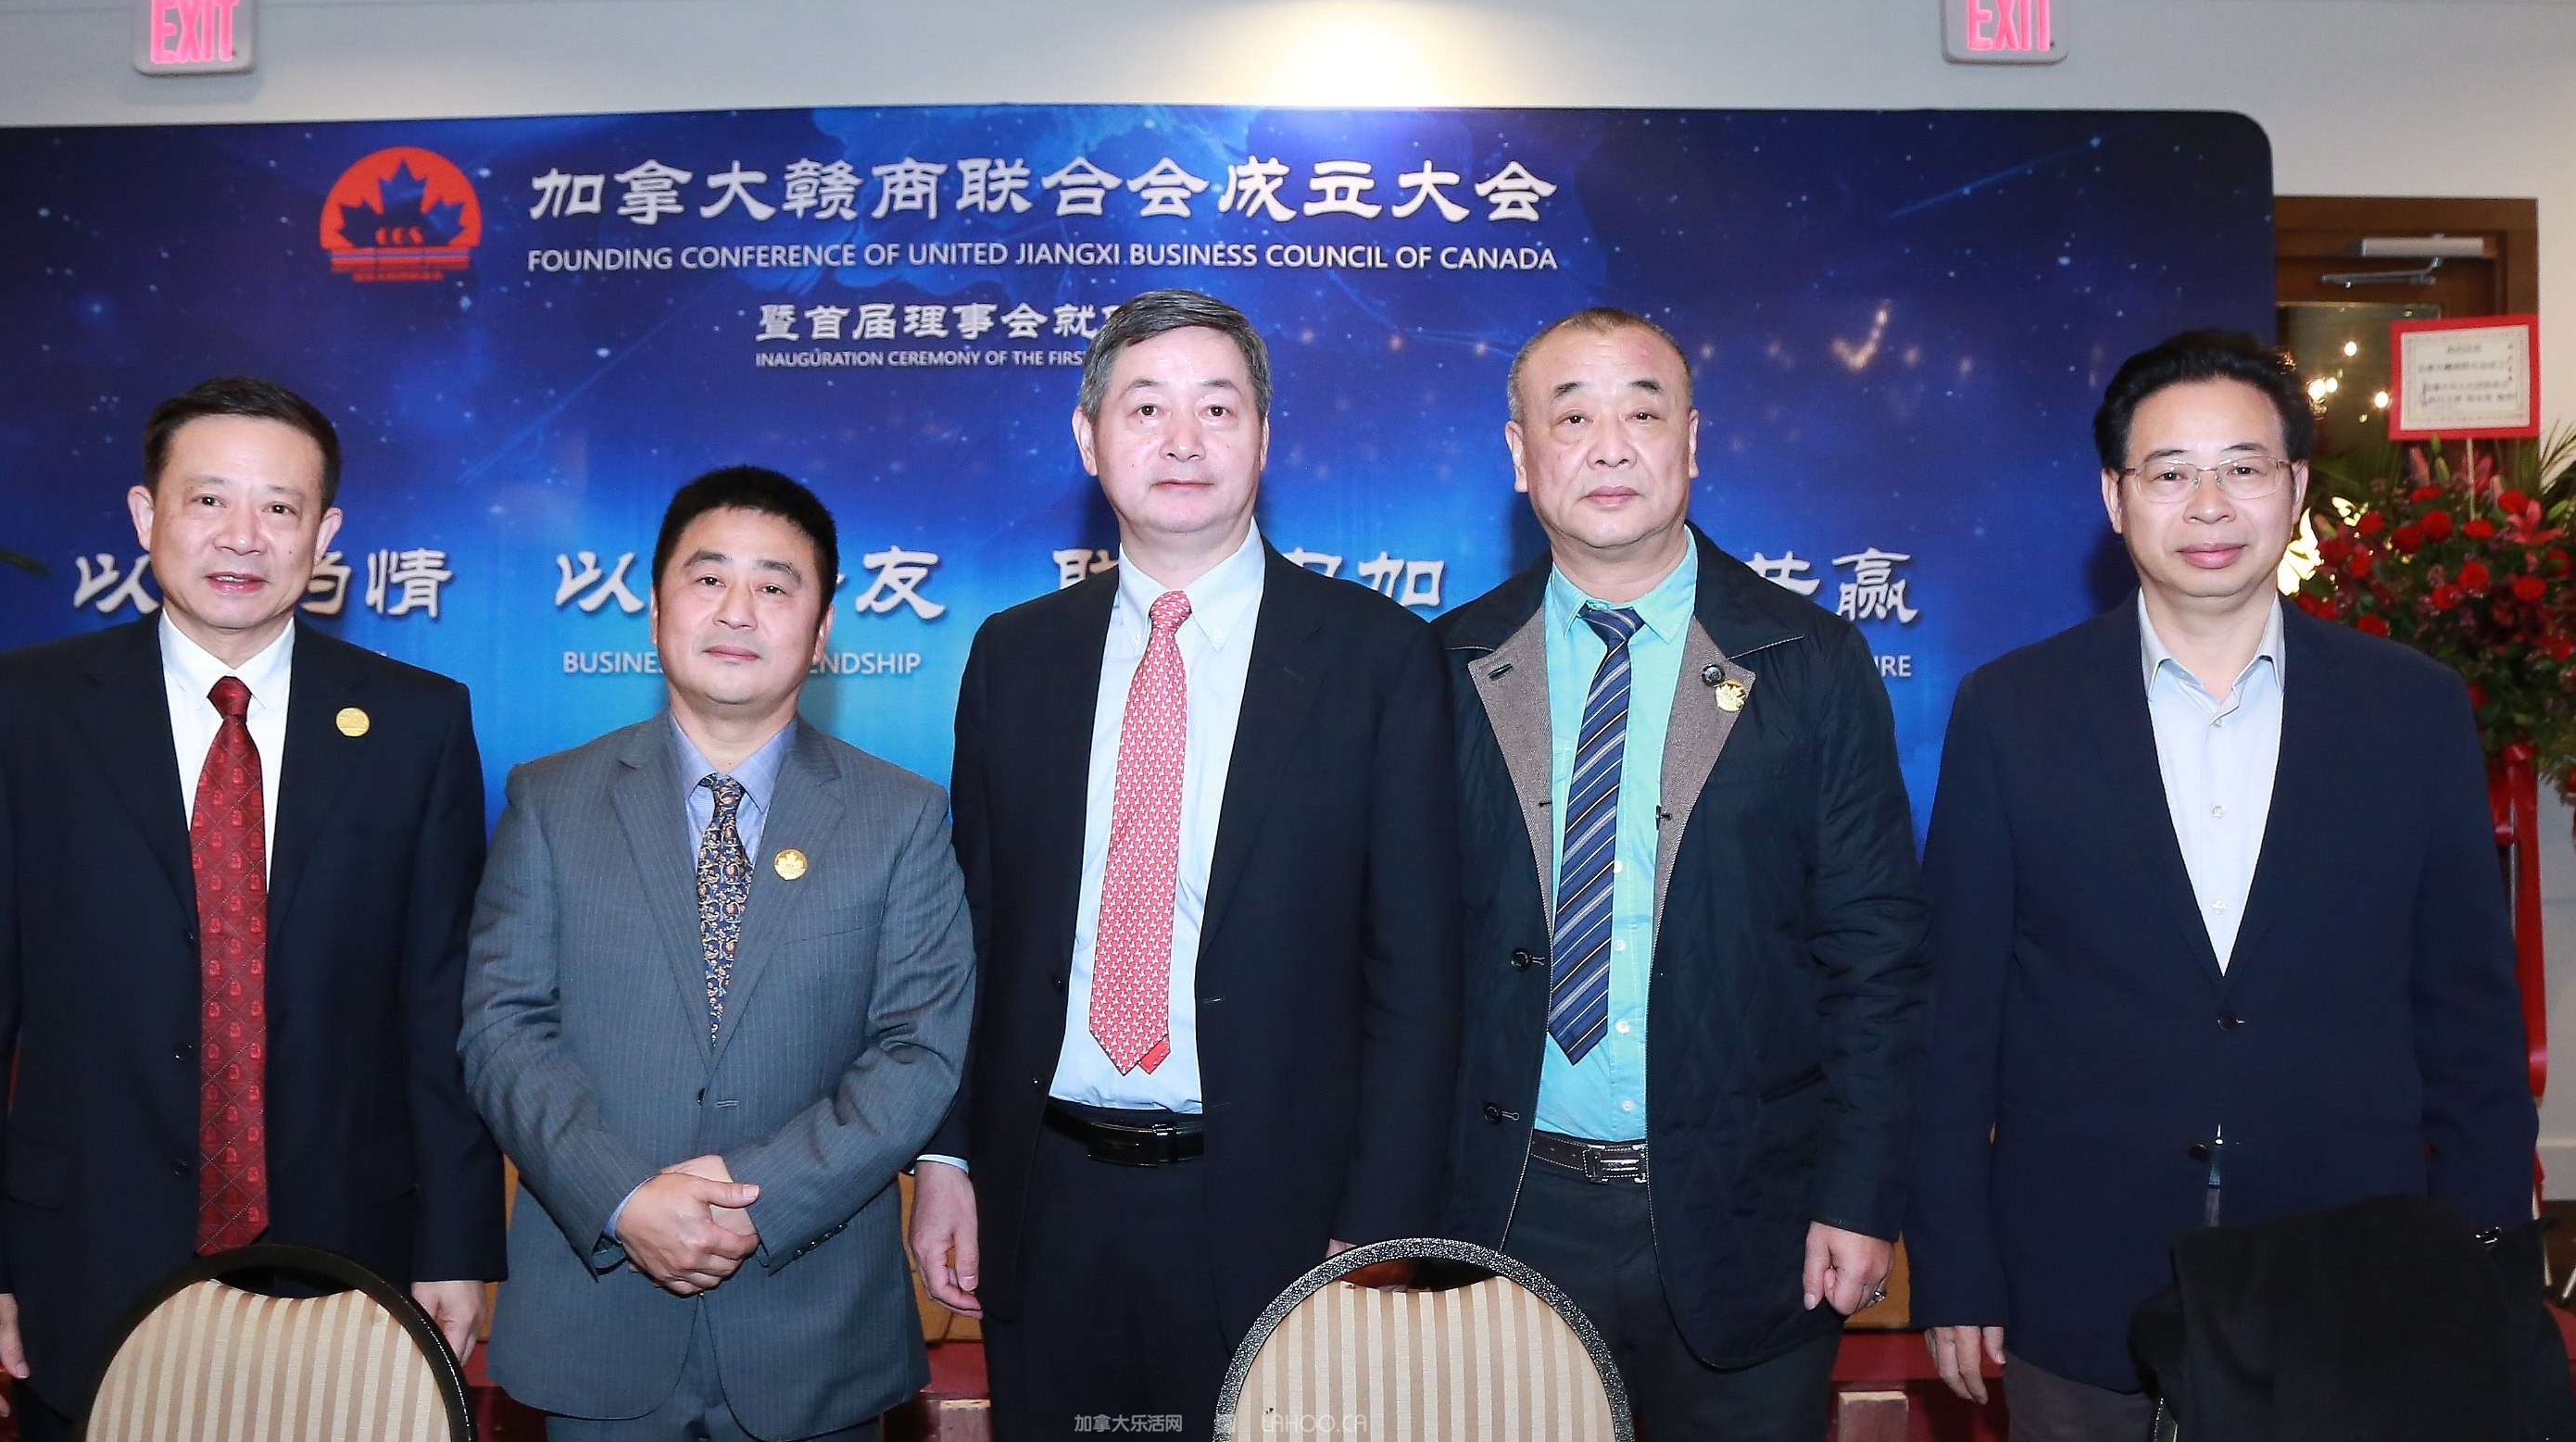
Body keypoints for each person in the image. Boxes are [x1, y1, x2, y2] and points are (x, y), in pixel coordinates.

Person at [1905, 330, 2545, 1438]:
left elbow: (2469, 1017)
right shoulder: (2011, 712)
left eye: (2243, 468)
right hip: (2080, 1277)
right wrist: (1955, 1263)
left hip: (2350, 1273)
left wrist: (2488, 1260)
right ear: (2114, 498)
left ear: (2293, 488)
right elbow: (1952, 1020)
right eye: (2169, 473)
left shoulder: (2410, 710)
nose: (2208, 505)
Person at [0, 376, 503, 1437]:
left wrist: (457, 1244)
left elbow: (439, 1008)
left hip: (347, 1257)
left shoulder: (416, 724)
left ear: (325, 535)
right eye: (208, 499)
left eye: (280, 507)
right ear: (147, 515)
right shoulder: (20, 714)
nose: (243, 536)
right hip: (80, 1257)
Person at [908, 288, 1462, 1438]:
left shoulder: (1377, 659)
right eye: (1145, 407)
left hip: (1280, 1204)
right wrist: (948, 1156)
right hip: (1044, 1193)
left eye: (1217, 407)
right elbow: (974, 929)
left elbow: (1417, 967)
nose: (1181, 439)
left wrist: (1379, 1222)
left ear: (1262, 436)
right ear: (1088, 437)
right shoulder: (1016, 656)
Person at [1437, 307, 1929, 1440]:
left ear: (1692, 441)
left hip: (1749, 1214)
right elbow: (1396, 961)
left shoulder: (1808, 661)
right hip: (1507, 1212)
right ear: (1520, 453)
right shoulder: (1448, 664)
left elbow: (1877, 953)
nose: (1609, 447)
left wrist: (1859, 1195)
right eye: (1571, 417)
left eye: (1643, 414)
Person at [461, 466, 973, 1442]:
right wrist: (622, 1196)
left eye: (775, 585)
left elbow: (918, 1050)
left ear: (821, 632)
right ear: (656, 609)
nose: (738, 610)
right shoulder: (552, 800)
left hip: (813, 1324)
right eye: (708, 579)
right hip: (599, 1315)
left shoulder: (900, 815)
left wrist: (758, 1200)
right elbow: (501, 1027)